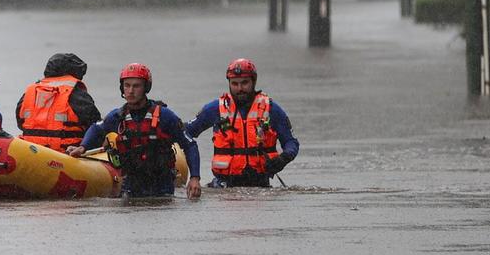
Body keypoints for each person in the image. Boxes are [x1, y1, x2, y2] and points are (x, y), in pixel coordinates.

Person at [68, 63, 202, 197]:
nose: (130, 91)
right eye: (127, 85)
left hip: (162, 186)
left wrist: (195, 178)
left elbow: (189, 145)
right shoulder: (117, 117)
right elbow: (96, 129)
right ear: (122, 88)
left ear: (146, 88)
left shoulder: (165, 116)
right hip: (131, 185)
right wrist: (82, 147)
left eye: (136, 86)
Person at [184, 58, 299, 188]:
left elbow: (291, 142)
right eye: (235, 84)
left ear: (253, 82)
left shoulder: (271, 109)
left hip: (261, 185)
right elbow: (186, 132)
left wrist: (282, 159)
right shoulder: (216, 108)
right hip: (223, 187)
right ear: (229, 84)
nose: (240, 89)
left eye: (244, 83)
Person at [16, 53, 101, 152]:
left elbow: (20, 122)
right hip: (66, 154)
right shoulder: (75, 94)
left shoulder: (29, 92)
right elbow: (95, 125)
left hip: (31, 152)